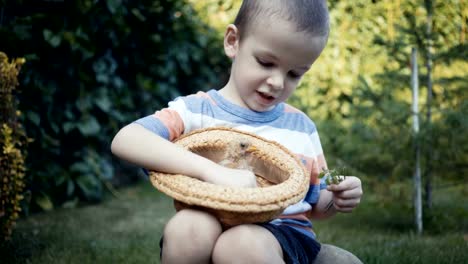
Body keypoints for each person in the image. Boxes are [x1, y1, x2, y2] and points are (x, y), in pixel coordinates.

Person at [111, 0, 363, 263]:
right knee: (188, 227)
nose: (277, 82)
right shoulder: (196, 111)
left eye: (294, 74)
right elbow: (126, 139)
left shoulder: (300, 127)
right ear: (233, 41)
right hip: (208, 220)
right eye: (266, 62)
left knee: (240, 244)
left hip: (280, 234)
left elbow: (317, 200)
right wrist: (212, 171)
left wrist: (338, 196)